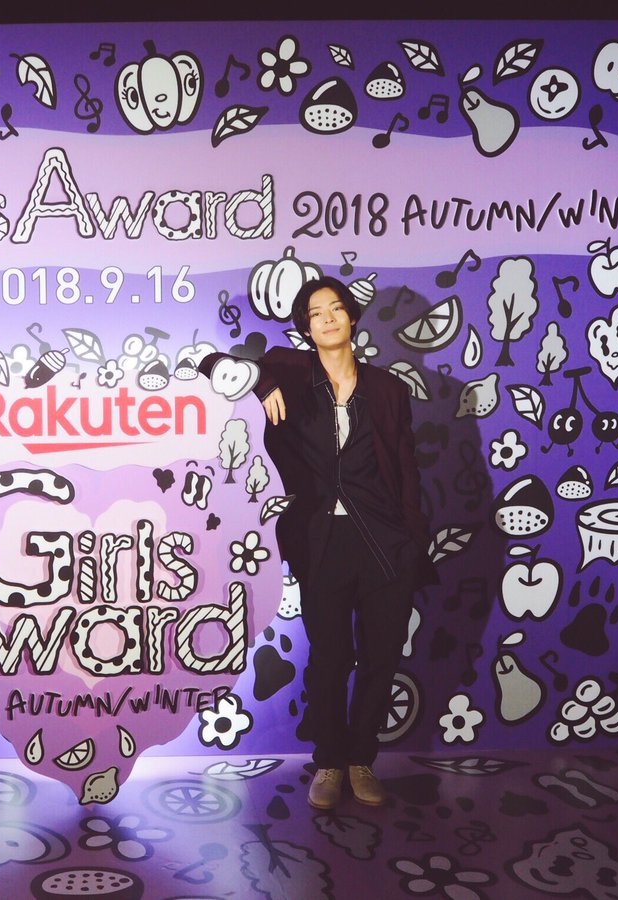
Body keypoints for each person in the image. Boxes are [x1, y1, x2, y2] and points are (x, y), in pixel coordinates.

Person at [200, 276, 435, 809]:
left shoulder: (388, 389)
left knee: (380, 658)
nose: (327, 318)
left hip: (384, 541)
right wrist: (262, 386)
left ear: (352, 317)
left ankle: (361, 760)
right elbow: (210, 364)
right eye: (315, 313)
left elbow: (406, 467)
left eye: (336, 308)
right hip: (319, 537)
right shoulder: (287, 370)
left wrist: (412, 537)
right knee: (329, 657)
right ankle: (329, 762)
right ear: (305, 328)